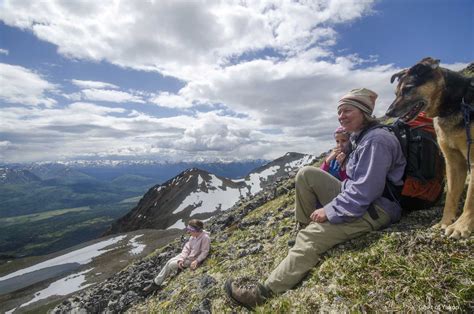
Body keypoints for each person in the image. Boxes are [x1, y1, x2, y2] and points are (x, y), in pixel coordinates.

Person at [225, 88, 407, 308]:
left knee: (311, 238)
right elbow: (358, 182)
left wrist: (329, 211)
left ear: (363, 112)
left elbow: (365, 192)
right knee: (306, 175)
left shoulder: (375, 141)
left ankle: (263, 294)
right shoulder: (360, 137)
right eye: (339, 111)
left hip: (377, 208)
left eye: (347, 110)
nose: (341, 116)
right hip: (361, 196)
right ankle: (303, 228)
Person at [143, 219, 210, 294]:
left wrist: (197, 261)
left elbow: (205, 252)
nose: (188, 232)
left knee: (171, 265)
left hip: (193, 260)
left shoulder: (205, 238)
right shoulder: (193, 237)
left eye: (190, 230)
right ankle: (155, 283)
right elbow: (186, 248)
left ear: (196, 230)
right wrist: (181, 259)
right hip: (188, 256)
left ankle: (157, 283)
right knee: (169, 261)